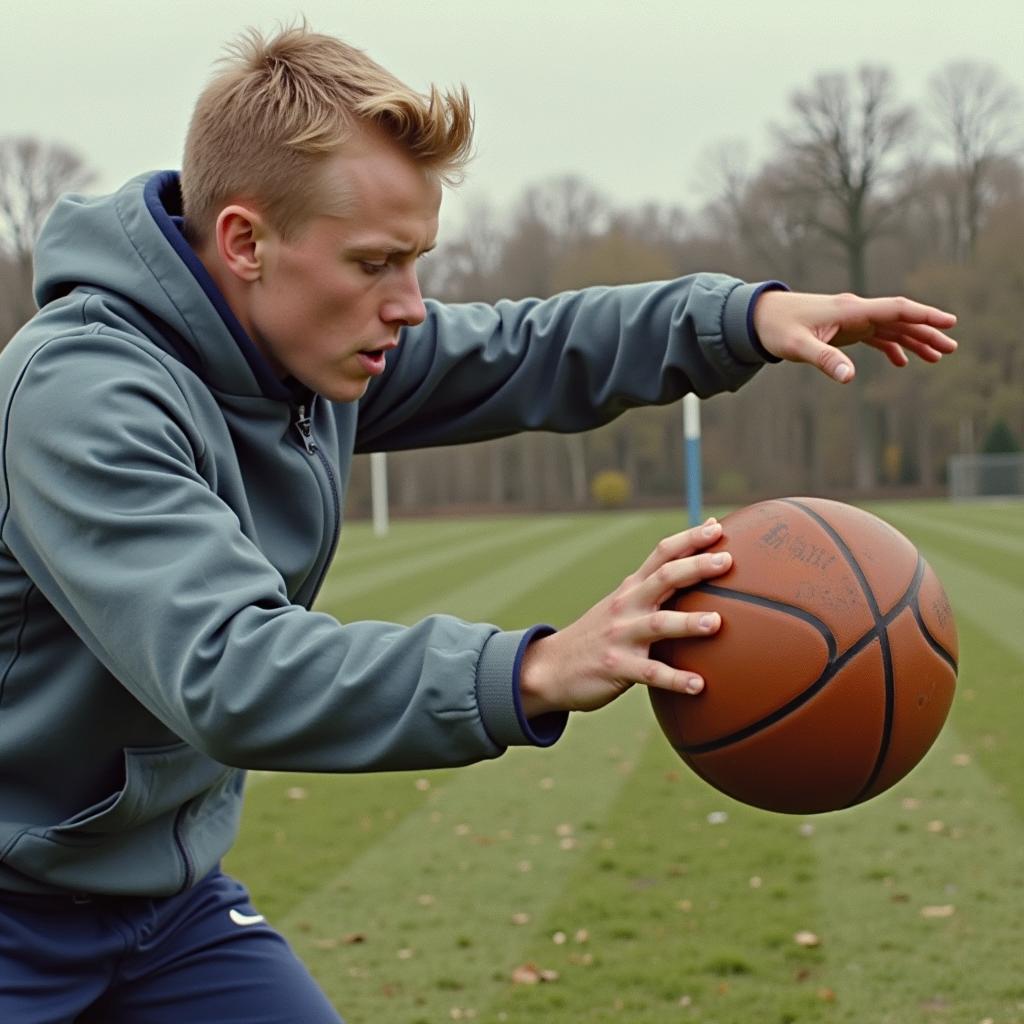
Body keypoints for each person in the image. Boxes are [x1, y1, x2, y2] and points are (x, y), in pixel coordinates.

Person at [0, 24, 956, 1024]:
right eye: (375, 262)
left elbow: (520, 350)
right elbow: (231, 668)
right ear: (245, 241)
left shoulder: (303, 346)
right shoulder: (82, 395)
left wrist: (736, 319)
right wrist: (532, 669)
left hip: (165, 908)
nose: (409, 307)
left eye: (415, 261)